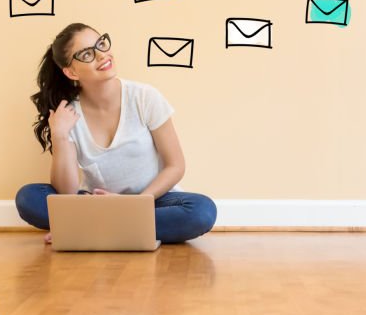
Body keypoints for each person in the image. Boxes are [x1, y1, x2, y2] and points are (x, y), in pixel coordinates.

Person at [15, 23, 216, 244]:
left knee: (202, 211)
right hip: (96, 205)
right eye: (87, 54)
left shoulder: (144, 97)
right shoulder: (68, 114)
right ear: (71, 72)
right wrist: (60, 135)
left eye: (101, 43)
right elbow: (67, 193)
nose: (102, 55)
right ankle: (118, 228)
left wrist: (134, 205)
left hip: (152, 200)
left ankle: (92, 229)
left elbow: (175, 166)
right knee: (28, 197)